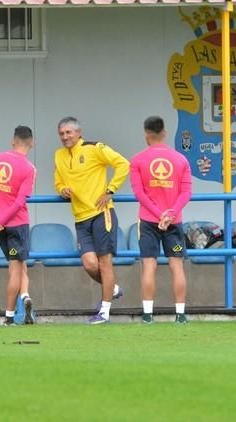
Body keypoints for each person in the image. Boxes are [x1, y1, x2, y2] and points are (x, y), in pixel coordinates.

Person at [54, 116, 130, 324]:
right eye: (61, 133)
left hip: (101, 213)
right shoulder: (59, 155)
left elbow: (123, 164)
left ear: (78, 133)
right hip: (80, 217)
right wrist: (62, 189)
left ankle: (104, 312)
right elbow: (58, 180)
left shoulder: (94, 148)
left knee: (105, 264)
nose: (65, 137)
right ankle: (112, 288)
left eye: (68, 132)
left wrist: (110, 190)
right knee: (89, 264)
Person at [130, 116, 192, 325]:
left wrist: (158, 215)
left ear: (146, 134)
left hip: (148, 220)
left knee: (149, 265)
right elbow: (186, 192)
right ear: (164, 133)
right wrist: (170, 213)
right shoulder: (181, 159)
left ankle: (148, 315)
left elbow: (139, 193)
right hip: (174, 221)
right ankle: (180, 315)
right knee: (177, 266)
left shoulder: (137, 160)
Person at [0, 126, 37, 326]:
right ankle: (10, 316)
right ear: (32, 143)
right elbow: (20, 202)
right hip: (17, 225)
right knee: (16, 268)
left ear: (13, 141)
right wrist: (1, 222)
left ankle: (25, 297)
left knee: (19, 267)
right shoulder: (29, 168)